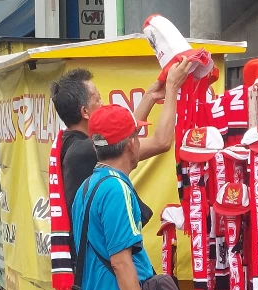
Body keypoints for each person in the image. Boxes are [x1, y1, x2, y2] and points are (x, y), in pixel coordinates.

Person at [71, 104, 160, 290]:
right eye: (137, 136)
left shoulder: (86, 187)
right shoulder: (116, 188)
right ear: (131, 144)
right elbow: (121, 263)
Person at [51, 57, 191, 214]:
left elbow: (123, 132)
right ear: (85, 112)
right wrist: (172, 87)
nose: (103, 104)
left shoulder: (71, 143)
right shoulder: (87, 150)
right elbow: (161, 142)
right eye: (98, 99)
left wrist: (151, 96)